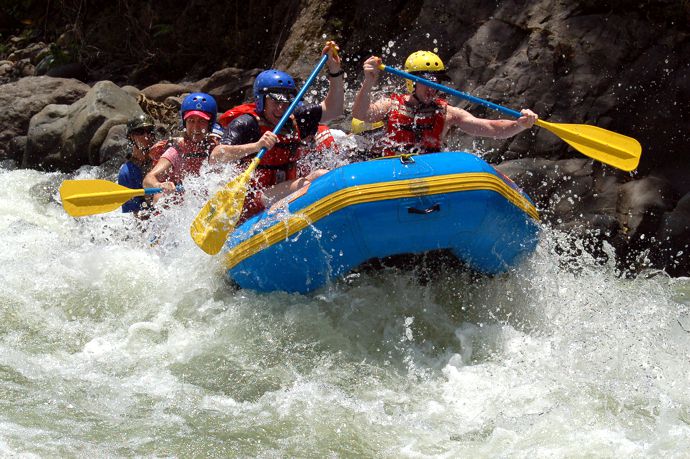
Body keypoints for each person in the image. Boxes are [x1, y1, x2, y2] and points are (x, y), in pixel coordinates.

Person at [210, 41, 344, 220]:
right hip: (253, 198)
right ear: (261, 100)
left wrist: (335, 71)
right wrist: (256, 146)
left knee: (324, 174)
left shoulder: (296, 118)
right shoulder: (247, 124)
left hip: (284, 188)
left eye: (285, 102)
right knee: (318, 177)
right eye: (275, 101)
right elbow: (215, 157)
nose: (281, 108)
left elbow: (334, 110)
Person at [351, 50, 539, 157]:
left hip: (431, 172)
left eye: (437, 82)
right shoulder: (390, 105)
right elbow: (361, 114)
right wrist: (368, 81)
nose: (433, 88)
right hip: (390, 171)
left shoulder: (448, 113)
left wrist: (519, 124)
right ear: (412, 81)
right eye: (428, 81)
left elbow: (491, 127)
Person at [143, 92, 219, 200]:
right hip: (180, 202)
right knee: (160, 196)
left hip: (204, 202)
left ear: (210, 124)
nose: (196, 127)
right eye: (191, 121)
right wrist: (159, 185)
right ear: (185, 123)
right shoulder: (177, 150)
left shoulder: (216, 148)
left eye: (202, 121)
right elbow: (148, 179)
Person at [118, 114, 156, 215]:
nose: (146, 136)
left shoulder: (162, 161)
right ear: (131, 137)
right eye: (140, 132)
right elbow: (134, 216)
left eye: (149, 131)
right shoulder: (126, 173)